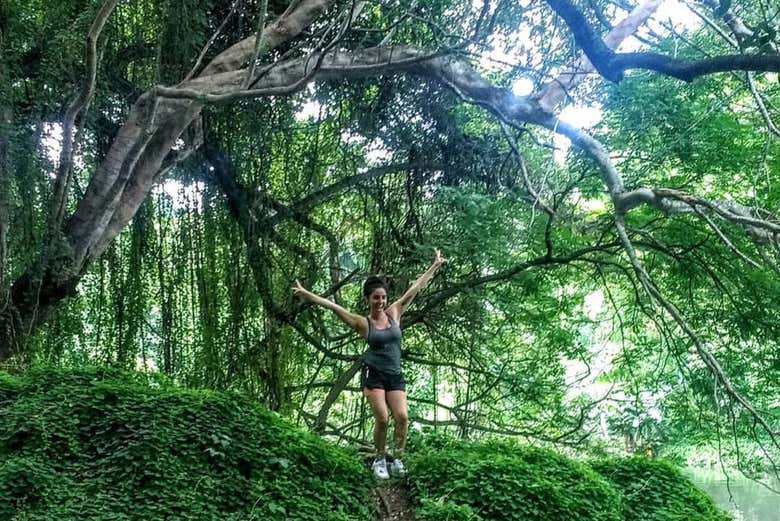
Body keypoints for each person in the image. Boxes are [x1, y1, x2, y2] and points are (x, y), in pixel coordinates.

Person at [292, 249, 445, 479]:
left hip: (394, 375)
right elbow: (333, 307)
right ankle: (380, 459)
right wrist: (306, 293)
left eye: (383, 297)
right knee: (382, 418)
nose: (381, 301)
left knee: (402, 417)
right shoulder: (363, 324)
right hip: (374, 375)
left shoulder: (394, 312)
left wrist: (434, 265)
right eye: (376, 297)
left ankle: (398, 459)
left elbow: (414, 289)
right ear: (368, 299)